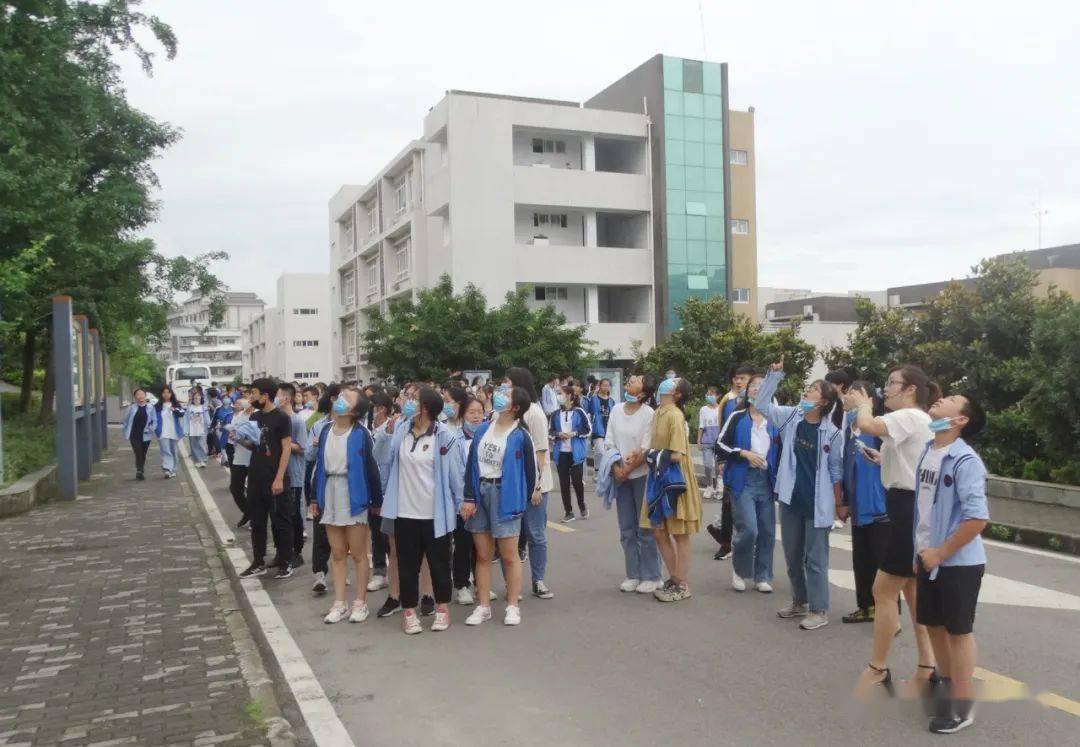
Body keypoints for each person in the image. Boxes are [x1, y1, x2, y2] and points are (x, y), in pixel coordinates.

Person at [845, 365, 939, 692]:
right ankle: (927, 664)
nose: (886, 389)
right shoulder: (916, 420)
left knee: (883, 591)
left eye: (892, 383)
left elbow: (868, 423)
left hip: (906, 507)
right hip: (906, 502)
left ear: (911, 389)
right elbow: (906, 461)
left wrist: (862, 402)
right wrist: (879, 458)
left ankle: (878, 666)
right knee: (911, 592)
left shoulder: (910, 416)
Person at [913, 394, 988, 734]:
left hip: (957, 562)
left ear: (961, 420)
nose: (941, 399)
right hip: (927, 556)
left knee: (958, 632)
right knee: (932, 625)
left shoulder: (965, 460)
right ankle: (946, 686)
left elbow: (976, 519)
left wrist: (941, 553)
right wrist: (922, 552)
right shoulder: (930, 449)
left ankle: (962, 705)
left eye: (952, 400)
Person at [753, 359, 843, 630]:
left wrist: (840, 504)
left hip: (818, 504)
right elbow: (761, 404)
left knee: (815, 559)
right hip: (791, 499)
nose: (807, 392)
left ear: (824, 401)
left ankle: (819, 609)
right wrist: (775, 375)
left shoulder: (833, 433)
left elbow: (836, 471)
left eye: (813, 389)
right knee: (792, 555)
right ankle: (799, 601)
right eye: (808, 388)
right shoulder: (791, 417)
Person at [378, 387, 465, 634]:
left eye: (415, 400)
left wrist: (462, 503)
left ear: (426, 408)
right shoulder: (402, 430)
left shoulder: (445, 435)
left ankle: (442, 609)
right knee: (407, 565)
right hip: (405, 511)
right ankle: (408, 611)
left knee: (438, 563)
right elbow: (381, 456)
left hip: (435, 513)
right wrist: (387, 431)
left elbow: (455, 474)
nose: (409, 403)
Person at [461, 386, 537, 626]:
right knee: (483, 555)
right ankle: (483, 606)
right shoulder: (484, 428)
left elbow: (530, 473)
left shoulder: (521, 436)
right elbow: (472, 464)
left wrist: (518, 499)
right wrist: (469, 497)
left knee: (509, 555)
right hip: (481, 490)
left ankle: (512, 605)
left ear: (515, 408)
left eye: (509, 395)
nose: (501, 395)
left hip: (505, 495)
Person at [311, 388, 383, 623]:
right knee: (338, 552)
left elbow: (372, 469)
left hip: (354, 494)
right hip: (330, 491)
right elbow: (319, 467)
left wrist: (376, 501)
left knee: (359, 553)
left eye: (347, 398)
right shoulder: (325, 431)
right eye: (339, 396)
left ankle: (360, 603)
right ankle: (339, 602)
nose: (340, 400)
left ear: (355, 410)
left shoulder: (361, 434)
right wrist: (314, 498)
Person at [717, 373, 780, 593]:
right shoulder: (737, 416)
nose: (756, 389)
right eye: (752, 386)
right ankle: (740, 569)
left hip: (766, 481)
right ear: (747, 391)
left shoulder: (775, 420)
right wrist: (743, 453)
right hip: (742, 480)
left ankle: (762, 575)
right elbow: (720, 445)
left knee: (767, 531)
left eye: (761, 387)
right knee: (749, 529)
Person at [647, 377, 703, 602]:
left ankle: (681, 583)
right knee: (659, 530)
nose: (667, 381)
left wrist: (649, 456)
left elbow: (678, 454)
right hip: (659, 474)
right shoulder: (659, 411)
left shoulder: (675, 415)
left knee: (680, 532)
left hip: (675, 477)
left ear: (677, 393)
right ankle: (674, 579)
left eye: (674, 381)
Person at [604, 373, 662, 594]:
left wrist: (628, 469)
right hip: (620, 475)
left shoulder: (649, 414)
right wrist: (616, 468)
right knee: (626, 528)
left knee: (644, 528)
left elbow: (647, 446)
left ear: (643, 393)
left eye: (635, 381)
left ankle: (652, 575)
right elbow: (608, 441)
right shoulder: (617, 409)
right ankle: (633, 574)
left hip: (642, 476)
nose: (630, 382)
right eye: (629, 380)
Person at [840, 381, 889, 624]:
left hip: (879, 509)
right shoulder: (851, 429)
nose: (847, 396)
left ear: (868, 399)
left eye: (854, 392)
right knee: (861, 560)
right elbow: (849, 468)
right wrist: (846, 501)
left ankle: (888, 615)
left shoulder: (879, 428)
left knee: (882, 565)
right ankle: (866, 606)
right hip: (859, 507)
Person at [506, 367, 555, 600]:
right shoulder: (507, 413)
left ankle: (538, 580)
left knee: (535, 534)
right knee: (510, 537)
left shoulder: (535, 413)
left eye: (508, 383)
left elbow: (541, 452)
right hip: (512, 484)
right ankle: (512, 585)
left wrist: (535, 486)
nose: (504, 388)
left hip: (535, 486)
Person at [239, 378, 296, 581]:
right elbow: (254, 445)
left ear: (265, 395)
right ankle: (258, 561)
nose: (250, 397)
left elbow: (287, 448)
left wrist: (279, 478)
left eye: (253, 393)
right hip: (256, 475)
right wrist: (239, 439)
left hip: (275, 476)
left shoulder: (281, 418)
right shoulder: (254, 416)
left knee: (281, 521)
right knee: (258, 521)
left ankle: (286, 560)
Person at [708, 364, 756, 559]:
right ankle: (726, 543)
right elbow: (722, 431)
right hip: (733, 458)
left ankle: (751, 542)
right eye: (736, 378)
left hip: (756, 460)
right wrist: (721, 458)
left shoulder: (764, 402)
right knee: (728, 504)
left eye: (743, 378)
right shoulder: (727, 401)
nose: (738, 381)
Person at [452, 397, 486, 603]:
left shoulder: (488, 436)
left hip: (484, 497)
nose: (476, 417)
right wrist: (464, 498)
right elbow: (456, 473)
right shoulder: (455, 439)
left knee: (482, 545)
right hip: (463, 499)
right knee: (463, 543)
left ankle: (480, 584)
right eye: (471, 412)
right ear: (462, 414)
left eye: (479, 412)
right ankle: (462, 584)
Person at [277, 383, 310, 571]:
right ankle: (283, 551)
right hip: (280, 474)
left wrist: (287, 444)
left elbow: (302, 447)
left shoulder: (296, 421)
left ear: (286, 398)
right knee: (281, 515)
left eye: (278, 395)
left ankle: (297, 551)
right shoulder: (279, 419)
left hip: (294, 474)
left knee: (294, 514)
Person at [551, 384, 592, 522]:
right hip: (561, 452)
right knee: (563, 483)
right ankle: (568, 511)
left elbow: (588, 429)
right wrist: (558, 434)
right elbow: (550, 431)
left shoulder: (579, 411)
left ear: (569, 395)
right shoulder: (556, 414)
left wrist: (574, 433)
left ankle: (582, 505)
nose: (558, 396)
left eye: (560, 393)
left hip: (576, 453)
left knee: (577, 482)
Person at [226, 398, 253, 527]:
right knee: (235, 488)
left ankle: (255, 517)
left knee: (254, 490)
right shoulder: (239, 416)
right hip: (239, 456)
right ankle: (248, 512)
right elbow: (234, 432)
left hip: (254, 457)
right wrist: (232, 435)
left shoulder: (258, 415)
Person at [122, 388, 157, 480]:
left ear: (145, 396)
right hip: (134, 434)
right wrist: (126, 431)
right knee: (138, 452)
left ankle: (140, 469)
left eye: (142, 394)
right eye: (138, 394)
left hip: (146, 434)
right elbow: (125, 420)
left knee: (143, 453)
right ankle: (139, 470)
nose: (140, 396)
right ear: (135, 397)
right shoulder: (131, 408)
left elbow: (155, 420)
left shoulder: (150, 407)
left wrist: (152, 428)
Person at [153, 385, 185, 479]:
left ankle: (174, 469)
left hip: (174, 432)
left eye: (168, 392)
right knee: (165, 451)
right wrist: (155, 429)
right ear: (161, 394)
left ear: (171, 394)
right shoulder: (157, 406)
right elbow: (153, 419)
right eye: (164, 392)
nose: (166, 394)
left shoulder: (176, 405)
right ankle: (167, 469)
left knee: (173, 451)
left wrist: (174, 409)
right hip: (162, 432)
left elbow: (182, 414)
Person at [697, 386, 723, 499]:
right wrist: (699, 440)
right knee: (708, 465)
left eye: (712, 394)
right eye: (708, 394)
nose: (709, 396)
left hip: (719, 442)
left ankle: (718, 488)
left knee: (719, 467)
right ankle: (709, 486)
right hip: (707, 442)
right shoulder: (703, 409)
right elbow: (701, 426)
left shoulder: (721, 408)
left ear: (718, 396)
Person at [586, 378, 614, 478]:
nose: (606, 387)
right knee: (600, 451)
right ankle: (599, 472)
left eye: (607, 385)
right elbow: (588, 410)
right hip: (597, 428)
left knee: (603, 453)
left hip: (608, 429)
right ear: (600, 386)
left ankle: (600, 472)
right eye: (604, 385)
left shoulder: (611, 401)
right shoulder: (594, 399)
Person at [184, 389, 211, 468]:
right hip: (192, 429)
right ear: (192, 398)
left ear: (201, 398)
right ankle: (197, 460)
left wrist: (209, 426)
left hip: (202, 429)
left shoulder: (204, 408)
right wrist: (185, 430)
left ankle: (203, 460)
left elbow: (207, 418)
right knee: (193, 445)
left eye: (198, 397)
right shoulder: (189, 408)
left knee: (201, 444)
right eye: (195, 397)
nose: (197, 398)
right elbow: (186, 419)